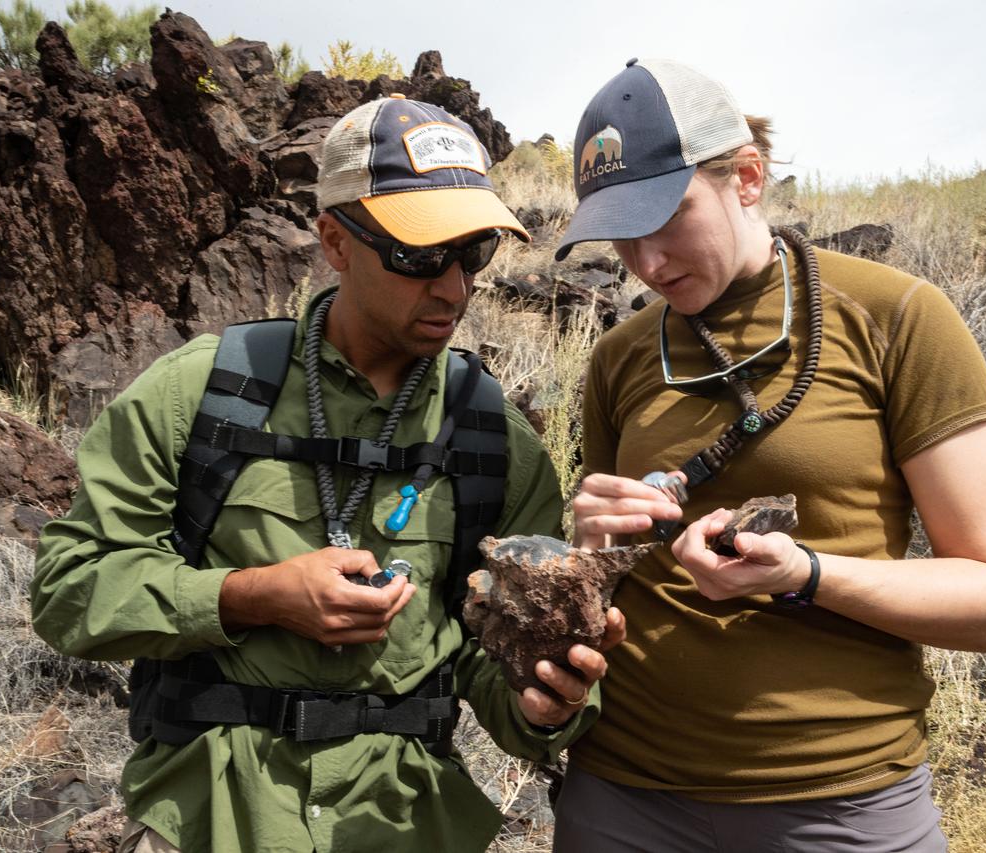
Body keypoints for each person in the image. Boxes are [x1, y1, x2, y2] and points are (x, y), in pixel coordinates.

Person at [31, 95, 622, 853]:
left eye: (473, 252)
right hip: (211, 815)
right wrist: (248, 597)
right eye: (419, 256)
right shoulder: (203, 394)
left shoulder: (495, 443)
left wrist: (547, 702)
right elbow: (67, 588)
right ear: (335, 243)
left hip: (406, 824)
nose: (453, 288)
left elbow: (499, 674)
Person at [553, 58, 986, 852]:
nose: (644, 264)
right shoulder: (618, 356)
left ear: (747, 176)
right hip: (622, 795)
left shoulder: (897, 318)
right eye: (620, 235)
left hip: (838, 802)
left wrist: (806, 574)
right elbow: (603, 577)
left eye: (665, 219)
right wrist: (589, 545)